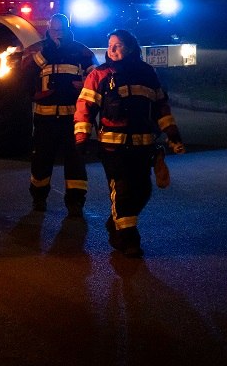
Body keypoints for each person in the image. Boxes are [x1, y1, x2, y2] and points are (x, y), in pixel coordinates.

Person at [74, 29, 185, 258]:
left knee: (143, 191)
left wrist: (172, 134)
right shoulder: (99, 75)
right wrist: (81, 138)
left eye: (118, 45)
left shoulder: (147, 74)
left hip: (142, 147)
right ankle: (129, 240)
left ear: (131, 48)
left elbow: (160, 108)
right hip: (113, 148)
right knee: (123, 191)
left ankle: (116, 222)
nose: (112, 49)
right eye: (110, 45)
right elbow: (84, 108)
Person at [20, 13, 97, 216]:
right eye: (54, 30)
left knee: (75, 163)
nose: (58, 34)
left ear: (67, 28)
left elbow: (96, 77)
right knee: (41, 161)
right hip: (45, 118)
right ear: (49, 29)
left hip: (73, 119)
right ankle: (39, 198)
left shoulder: (81, 51)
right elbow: (23, 76)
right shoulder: (39, 49)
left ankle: (75, 203)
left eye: (61, 30)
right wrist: (35, 94)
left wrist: (84, 84)